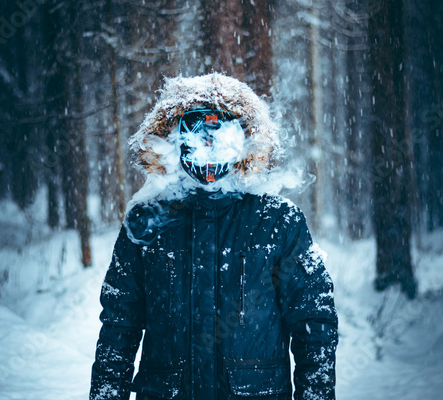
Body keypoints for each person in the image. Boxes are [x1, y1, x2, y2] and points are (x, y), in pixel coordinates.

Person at [89, 73, 338, 400]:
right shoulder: (148, 222)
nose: (208, 146)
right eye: (196, 133)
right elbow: (118, 329)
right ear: (174, 138)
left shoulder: (278, 220)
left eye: (219, 136)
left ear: (244, 140)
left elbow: (315, 326)